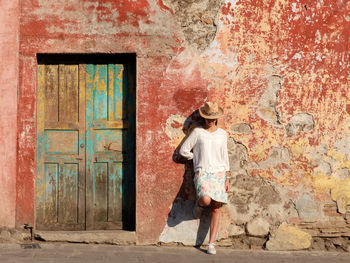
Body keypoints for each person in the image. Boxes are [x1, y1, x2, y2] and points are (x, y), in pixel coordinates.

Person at [179, 101, 230, 255]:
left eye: (212, 117)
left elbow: (224, 156)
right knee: (206, 200)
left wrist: (227, 177)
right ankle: (199, 205)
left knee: (216, 207)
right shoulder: (197, 132)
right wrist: (197, 158)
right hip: (203, 172)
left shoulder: (222, 134)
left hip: (219, 173)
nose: (209, 120)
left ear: (216, 118)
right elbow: (183, 150)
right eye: (206, 117)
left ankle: (211, 244)